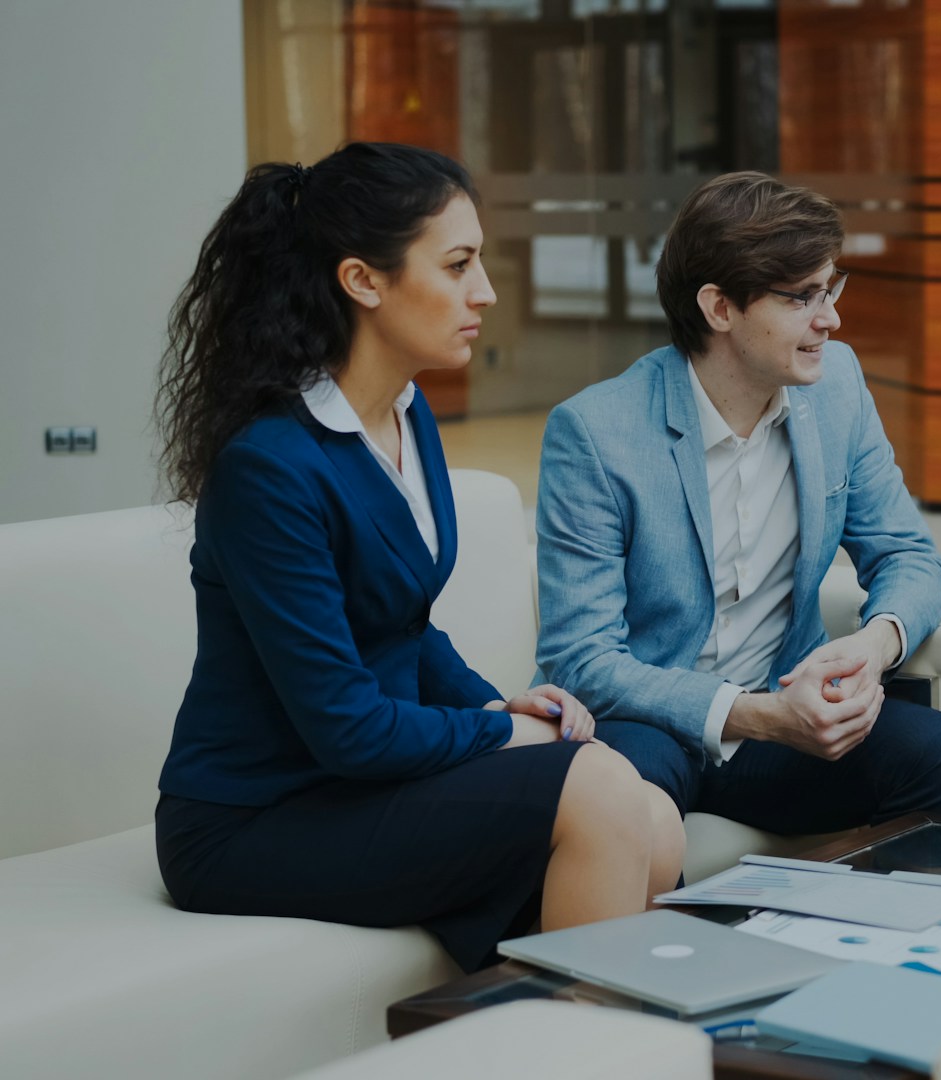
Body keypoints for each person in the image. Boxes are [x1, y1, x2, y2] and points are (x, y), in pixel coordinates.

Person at [153, 142, 683, 973]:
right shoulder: (269, 468)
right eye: (459, 264)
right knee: (603, 789)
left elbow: (403, 628)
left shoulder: (406, 412)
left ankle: (555, 1037)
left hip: (358, 781)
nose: (487, 293)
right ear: (363, 280)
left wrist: (504, 705)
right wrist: (499, 732)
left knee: (655, 814)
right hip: (257, 816)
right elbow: (349, 731)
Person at [535, 171, 941, 843]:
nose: (829, 318)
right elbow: (583, 658)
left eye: (830, 288)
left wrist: (871, 645)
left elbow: (908, 555)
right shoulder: (597, 433)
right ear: (719, 308)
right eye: (802, 297)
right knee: (623, 794)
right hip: (652, 721)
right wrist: (754, 714)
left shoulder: (836, 388)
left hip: (785, 710)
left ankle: (874, 943)